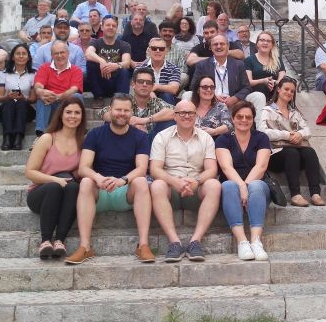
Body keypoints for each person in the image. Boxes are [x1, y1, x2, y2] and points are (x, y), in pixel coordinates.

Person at [67, 94, 155, 264]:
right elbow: (83, 167)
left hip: (125, 192)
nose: (121, 113)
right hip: (100, 190)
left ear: (131, 112)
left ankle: (143, 245)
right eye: (118, 109)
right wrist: (98, 178)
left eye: (126, 110)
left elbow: (142, 169)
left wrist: (123, 180)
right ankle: (85, 246)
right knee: (85, 181)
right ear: (110, 110)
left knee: (141, 181)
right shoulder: (95, 134)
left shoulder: (140, 137)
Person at [150, 100, 222, 262]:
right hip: (171, 187)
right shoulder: (162, 137)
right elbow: (155, 169)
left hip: (195, 187)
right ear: (174, 116)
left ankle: (195, 242)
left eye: (190, 113)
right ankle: (174, 243)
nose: (186, 116)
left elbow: (211, 170)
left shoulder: (206, 138)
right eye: (182, 113)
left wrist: (196, 180)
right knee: (157, 185)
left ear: (196, 116)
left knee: (214, 185)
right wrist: (174, 181)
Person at [24, 97, 85, 260]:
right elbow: (30, 172)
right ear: (60, 114)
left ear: (82, 117)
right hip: (41, 193)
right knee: (54, 187)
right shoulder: (47, 138)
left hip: (67, 191)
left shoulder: (83, 143)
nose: (73, 116)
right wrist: (55, 180)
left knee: (74, 187)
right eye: (69, 112)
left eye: (77, 113)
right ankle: (45, 241)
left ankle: (59, 241)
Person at [216, 101, 272, 261]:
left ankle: (255, 241)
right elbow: (226, 168)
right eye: (239, 116)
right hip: (232, 190)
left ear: (253, 119)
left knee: (255, 185)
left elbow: (261, 167)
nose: (244, 120)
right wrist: (241, 186)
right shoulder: (223, 139)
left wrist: (246, 186)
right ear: (233, 119)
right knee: (228, 185)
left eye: (248, 117)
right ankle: (242, 241)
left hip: (258, 187)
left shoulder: (261, 138)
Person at [259, 77, 324, 207]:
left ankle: (315, 194)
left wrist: (300, 134)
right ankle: (295, 195)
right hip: (274, 155)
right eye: (286, 89)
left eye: (292, 91)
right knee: (292, 152)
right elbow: (263, 132)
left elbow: (308, 131)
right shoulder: (267, 110)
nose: (289, 93)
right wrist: (288, 135)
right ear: (278, 89)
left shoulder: (295, 113)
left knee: (310, 152)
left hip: (293, 155)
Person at [188, 35, 265, 114]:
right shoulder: (202, 65)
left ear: (228, 46)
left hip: (234, 103)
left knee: (258, 96)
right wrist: (213, 96)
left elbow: (246, 87)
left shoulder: (238, 65)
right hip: (209, 100)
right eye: (215, 44)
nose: (219, 46)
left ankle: (261, 126)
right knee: (188, 94)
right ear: (211, 47)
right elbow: (194, 86)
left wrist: (234, 98)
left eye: (222, 44)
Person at [102, 67, 174, 143]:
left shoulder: (156, 102)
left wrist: (143, 120)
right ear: (133, 84)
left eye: (148, 82)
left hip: (151, 142)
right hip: (127, 141)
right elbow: (104, 112)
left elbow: (175, 112)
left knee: (170, 122)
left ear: (152, 87)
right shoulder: (126, 101)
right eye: (140, 81)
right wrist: (131, 124)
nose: (144, 85)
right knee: (111, 121)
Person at [34, 40, 84, 136]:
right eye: (56, 53)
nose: (59, 55)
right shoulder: (44, 67)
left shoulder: (76, 70)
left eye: (62, 52)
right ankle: (41, 135)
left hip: (67, 105)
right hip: (50, 106)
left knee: (77, 96)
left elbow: (74, 89)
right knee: (42, 97)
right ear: (52, 55)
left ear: (68, 53)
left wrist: (57, 97)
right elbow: (38, 85)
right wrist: (41, 92)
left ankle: (77, 131)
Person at [0, 43, 37, 151]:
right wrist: (7, 97)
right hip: (5, 108)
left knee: (21, 103)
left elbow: (33, 99)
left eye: (24, 54)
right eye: (18, 54)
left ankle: (18, 137)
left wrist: (24, 98)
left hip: (26, 109)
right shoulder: (3, 73)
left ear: (28, 57)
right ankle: (7, 137)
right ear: (13, 57)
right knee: (10, 102)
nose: (21, 56)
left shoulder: (33, 74)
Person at [84, 15, 132, 107]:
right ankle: (98, 97)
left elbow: (127, 62)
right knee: (90, 63)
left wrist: (115, 65)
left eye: (113, 26)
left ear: (116, 29)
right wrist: (102, 61)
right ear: (102, 27)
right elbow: (88, 53)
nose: (111, 27)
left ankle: (121, 100)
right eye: (108, 25)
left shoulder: (124, 45)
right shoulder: (96, 42)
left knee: (124, 70)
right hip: (99, 82)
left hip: (116, 83)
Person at [139, 37, 181, 105]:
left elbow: (174, 89)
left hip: (166, 100)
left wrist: (156, 87)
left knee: (166, 95)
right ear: (149, 50)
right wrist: (151, 93)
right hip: (145, 98)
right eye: (154, 48)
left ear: (166, 51)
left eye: (161, 49)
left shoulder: (174, 68)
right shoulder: (140, 68)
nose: (158, 51)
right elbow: (139, 88)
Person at [245, 31, 285, 98]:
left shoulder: (277, 60)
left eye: (268, 41)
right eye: (262, 40)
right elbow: (248, 82)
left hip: (275, 96)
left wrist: (275, 82)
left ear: (272, 45)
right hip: (256, 96)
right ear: (257, 43)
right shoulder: (249, 60)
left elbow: (283, 79)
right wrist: (263, 81)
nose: (265, 43)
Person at [160, 20, 190, 88]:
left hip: (172, 80)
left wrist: (168, 76)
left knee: (184, 76)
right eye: (165, 31)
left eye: (170, 31)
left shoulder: (180, 50)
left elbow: (182, 69)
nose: (167, 33)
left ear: (174, 34)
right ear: (160, 32)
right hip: (156, 78)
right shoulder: (153, 48)